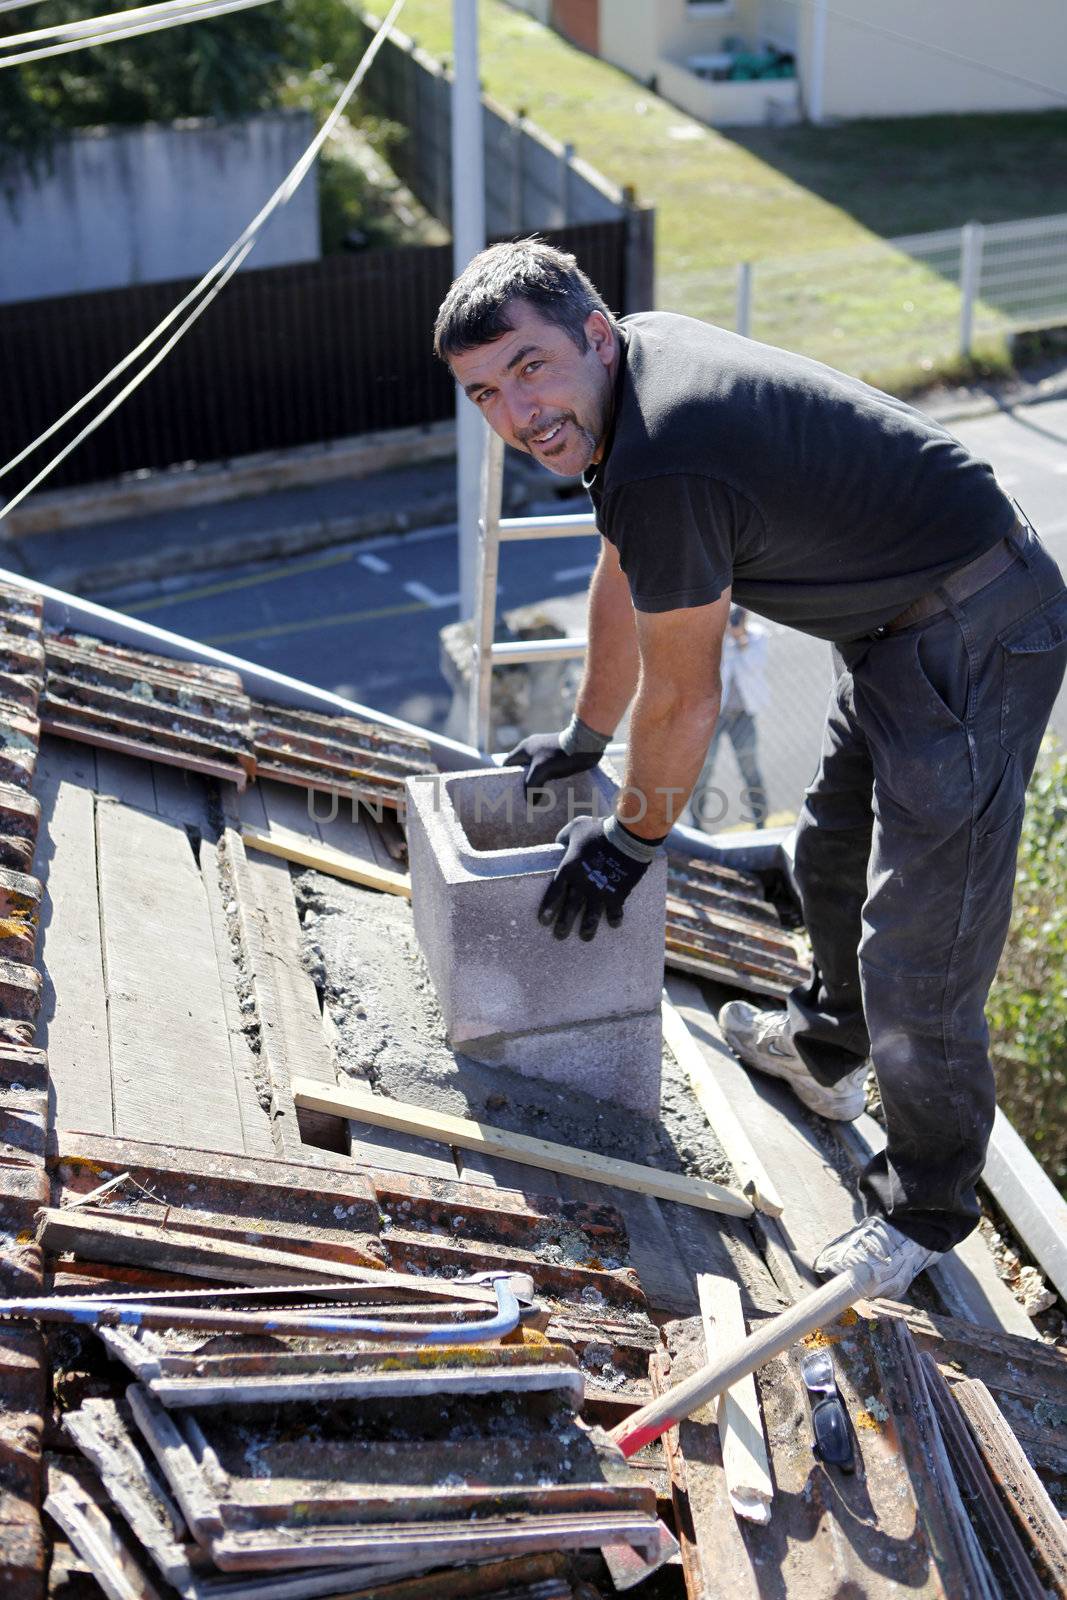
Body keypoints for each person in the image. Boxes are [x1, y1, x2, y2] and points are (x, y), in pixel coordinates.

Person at [433, 239, 1067, 1300]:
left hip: (976, 625)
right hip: (900, 622)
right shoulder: (631, 384)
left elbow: (687, 698)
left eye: (528, 367)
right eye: (484, 392)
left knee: (919, 943)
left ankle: (922, 1208)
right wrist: (586, 739)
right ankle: (823, 1054)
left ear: (591, 333)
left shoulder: (664, 448)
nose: (514, 414)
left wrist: (630, 843)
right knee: (827, 847)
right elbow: (623, 562)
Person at [688, 604, 770, 831]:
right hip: (713, 716)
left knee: (750, 769)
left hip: (742, 715)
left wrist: (740, 638)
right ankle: (697, 824)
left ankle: (760, 822)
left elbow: (755, 667)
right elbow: (709, 670)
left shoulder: (756, 636)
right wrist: (721, 636)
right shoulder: (712, 639)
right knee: (703, 770)